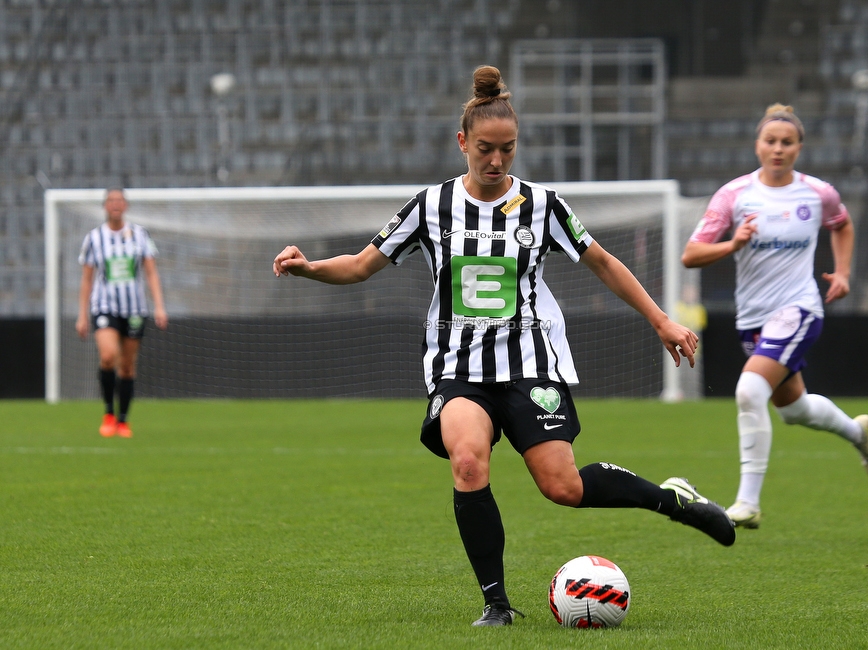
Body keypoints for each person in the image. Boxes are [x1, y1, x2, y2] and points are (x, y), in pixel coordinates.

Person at [273, 66, 734, 627]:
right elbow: (362, 265)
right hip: (458, 367)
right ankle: (496, 604)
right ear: (462, 143)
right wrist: (310, 268)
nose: (496, 162)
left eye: (508, 151)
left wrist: (661, 320)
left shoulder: (542, 206)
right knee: (468, 462)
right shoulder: (430, 206)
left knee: (563, 488)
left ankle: (672, 500)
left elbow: (604, 263)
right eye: (486, 150)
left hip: (531, 363)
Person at [681, 103, 868, 530]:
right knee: (794, 409)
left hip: (799, 309)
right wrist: (733, 244)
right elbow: (691, 254)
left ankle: (747, 504)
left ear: (799, 148)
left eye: (786, 142)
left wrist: (843, 273)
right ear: (757, 145)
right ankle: (856, 433)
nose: (778, 149)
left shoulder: (817, 193)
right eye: (770, 141)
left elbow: (842, 225)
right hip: (752, 317)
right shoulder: (734, 195)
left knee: (750, 390)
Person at [76, 188, 167, 438]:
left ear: (125, 205)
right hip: (104, 305)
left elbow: (150, 272)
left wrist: (159, 306)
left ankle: (123, 420)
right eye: (111, 200)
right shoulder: (94, 238)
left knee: (127, 366)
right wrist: (82, 315)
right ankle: (108, 413)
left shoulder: (139, 235)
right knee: (108, 356)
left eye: (119, 200)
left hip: (134, 308)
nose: (115, 204)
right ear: (105, 206)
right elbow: (86, 280)